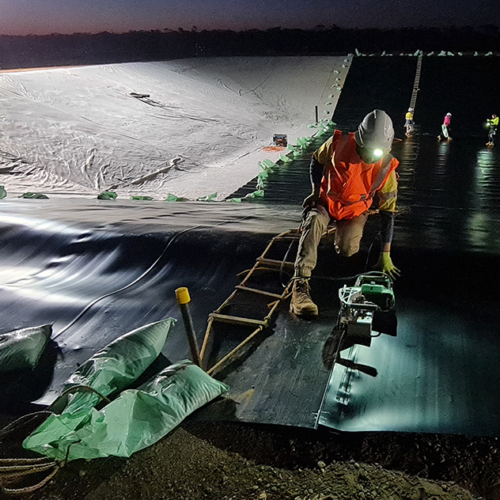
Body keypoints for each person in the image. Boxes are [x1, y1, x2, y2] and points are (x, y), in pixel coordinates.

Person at [290, 109, 401, 318]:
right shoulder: (337, 143)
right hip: (326, 203)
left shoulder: (387, 167)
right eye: (367, 150)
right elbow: (316, 161)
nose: (370, 156)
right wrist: (314, 192)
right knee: (314, 221)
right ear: (358, 141)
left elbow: (388, 212)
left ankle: (338, 235)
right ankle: (299, 287)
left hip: (354, 212)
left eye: (376, 152)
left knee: (348, 249)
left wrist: (385, 254)